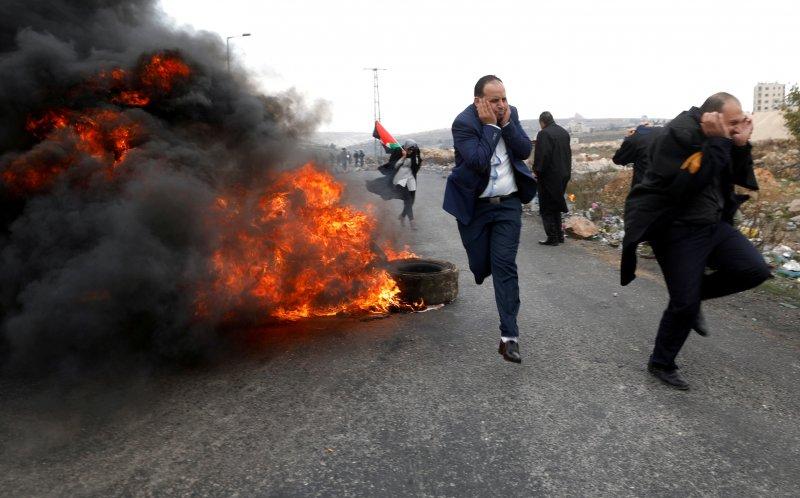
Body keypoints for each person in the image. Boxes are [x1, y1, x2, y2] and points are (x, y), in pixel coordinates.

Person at [620, 92, 771, 390]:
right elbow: (686, 188)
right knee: (684, 303)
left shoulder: (721, 137)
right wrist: (720, 142)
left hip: (713, 225)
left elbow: (737, 175)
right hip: (675, 230)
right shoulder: (678, 135)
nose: (735, 128)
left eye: (740, 122)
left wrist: (739, 144)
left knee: (755, 270)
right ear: (711, 118)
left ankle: (693, 294)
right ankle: (661, 362)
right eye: (732, 123)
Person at [443, 75, 536, 363]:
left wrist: (506, 123)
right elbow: (478, 160)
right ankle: (481, 269)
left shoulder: (510, 114)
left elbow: (523, 150)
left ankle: (510, 337)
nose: (501, 105)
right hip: (477, 207)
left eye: (504, 99)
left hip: (507, 204)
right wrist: (492, 126)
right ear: (478, 101)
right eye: (494, 100)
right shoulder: (463, 123)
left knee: (504, 265)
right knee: (482, 266)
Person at [532, 111, 571, 246]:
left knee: (546, 207)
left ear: (542, 122)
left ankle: (552, 237)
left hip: (549, 177)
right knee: (556, 205)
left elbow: (543, 156)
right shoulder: (564, 132)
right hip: (564, 175)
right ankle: (560, 236)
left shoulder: (544, 134)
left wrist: (537, 171)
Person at [365, 140, 422, 229]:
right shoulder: (399, 151)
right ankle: (412, 221)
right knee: (407, 197)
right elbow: (393, 165)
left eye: (412, 150)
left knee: (411, 200)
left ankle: (402, 216)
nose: (411, 152)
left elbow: (416, 168)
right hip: (398, 179)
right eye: (409, 150)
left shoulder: (415, 154)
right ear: (406, 148)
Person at [612, 123, 664, 189]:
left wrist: (628, 138)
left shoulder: (635, 138)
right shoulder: (666, 132)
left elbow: (618, 159)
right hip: (669, 186)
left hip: (644, 188)